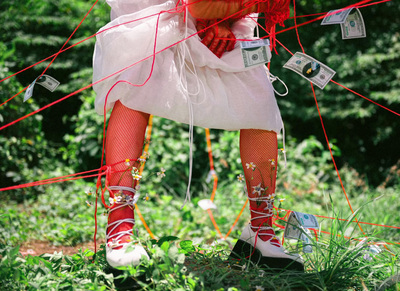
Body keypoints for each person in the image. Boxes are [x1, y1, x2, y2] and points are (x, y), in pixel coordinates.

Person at [92, 0, 303, 271]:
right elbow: (200, 6)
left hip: (229, 14)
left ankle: (261, 232)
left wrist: (222, 20)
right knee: (135, 86)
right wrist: (207, 17)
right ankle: (119, 227)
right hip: (160, 8)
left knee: (259, 103)